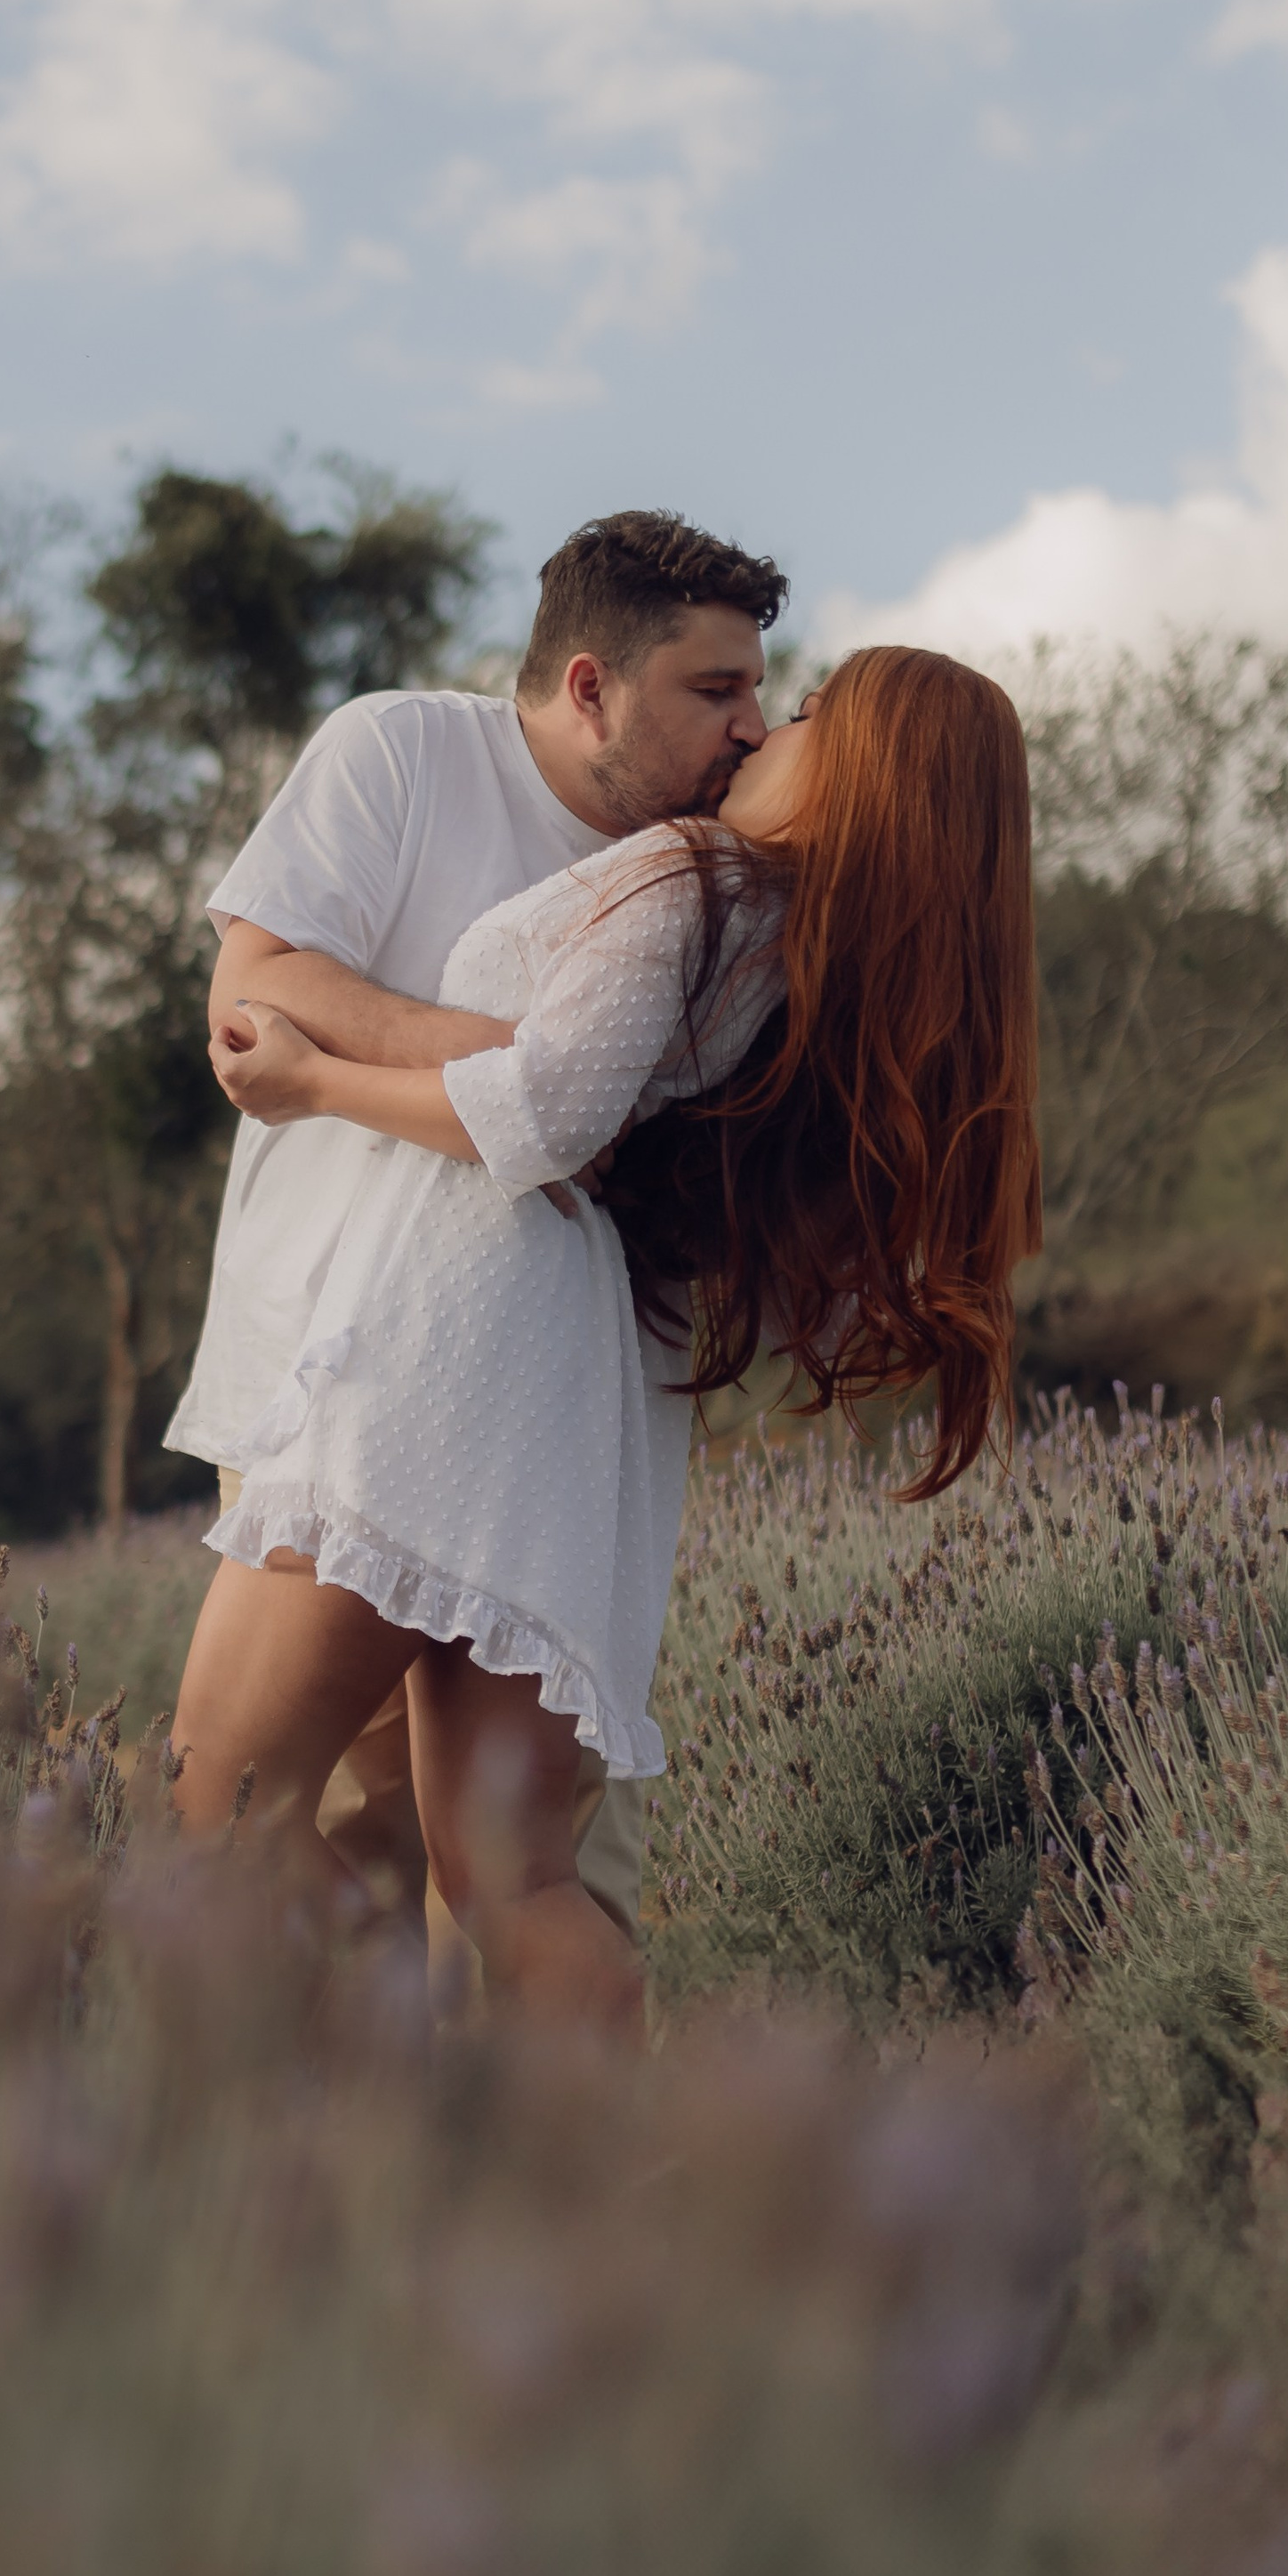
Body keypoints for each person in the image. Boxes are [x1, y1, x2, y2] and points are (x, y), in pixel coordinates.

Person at [169, 644, 1042, 2037]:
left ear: (868, 772)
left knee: (209, 1801)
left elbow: (542, 1117)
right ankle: (611, 2189)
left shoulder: (693, 876)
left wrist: (314, 1080)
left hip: (450, 1339)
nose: (767, 730)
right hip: (564, 1390)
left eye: (806, 713)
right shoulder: (798, 949)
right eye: (745, 698)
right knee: (509, 1878)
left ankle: (392, 2082)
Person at [162, 509, 791, 1950]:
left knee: (519, 1887)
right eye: (715, 690)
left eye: (759, 690)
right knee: (343, 1854)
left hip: (564, 1443)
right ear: (590, 684)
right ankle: (392, 2162)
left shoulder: (716, 872)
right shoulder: (403, 753)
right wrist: (533, 1075)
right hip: (339, 1387)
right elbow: (252, 991)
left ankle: (528, 2171)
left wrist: (546, 1094)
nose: (750, 728)